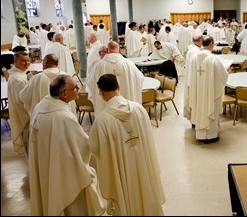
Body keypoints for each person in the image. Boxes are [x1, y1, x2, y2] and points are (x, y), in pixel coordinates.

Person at [88, 74, 165, 215]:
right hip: (143, 166)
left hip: (121, 173)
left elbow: (95, 151)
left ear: (100, 92)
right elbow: (148, 140)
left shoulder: (102, 121)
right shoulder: (139, 109)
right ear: (119, 87)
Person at [29, 74, 105, 215]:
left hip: (45, 164)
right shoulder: (63, 117)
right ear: (64, 94)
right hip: (63, 171)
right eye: (75, 87)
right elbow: (83, 146)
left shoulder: (40, 107)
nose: (78, 89)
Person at [86, 40, 144, 117]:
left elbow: (90, 82)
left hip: (106, 111)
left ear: (107, 50)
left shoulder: (98, 66)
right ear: (119, 49)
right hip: (127, 104)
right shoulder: (129, 64)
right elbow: (140, 78)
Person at [188, 36, 229, 143]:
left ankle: (201, 134)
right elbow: (222, 75)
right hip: (210, 92)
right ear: (211, 44)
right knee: (211, 110)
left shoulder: (194, 58)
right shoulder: (213, 59)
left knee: (200, 109)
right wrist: (226, 69)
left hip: (198, 91)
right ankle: (211, 135)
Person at [7, 51, 31, 156]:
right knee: (30, 146)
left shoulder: (20, 74)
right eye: (23, 61)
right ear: (16, 62)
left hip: (26, 113)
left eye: (28, 60)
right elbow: (22, 100)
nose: (27, 63)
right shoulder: (16, 79)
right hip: (25, 116)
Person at [183, 33, 204, 127]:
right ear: (200, 41)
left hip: (191, 78)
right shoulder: (195, 52)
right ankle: (196, 121)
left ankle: (194, 120)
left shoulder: (192, 49)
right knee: (196, 100)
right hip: (195, 80)